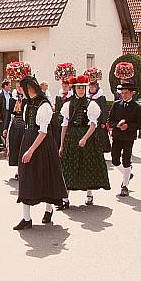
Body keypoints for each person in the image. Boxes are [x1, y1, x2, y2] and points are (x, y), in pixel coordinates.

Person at [13, 77, 67, 230]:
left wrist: (30, 150)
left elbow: (43, 132)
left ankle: (48, 209)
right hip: (29, 139)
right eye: (24, 88)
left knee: (46, 176)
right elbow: (26, 126)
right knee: (26, 177)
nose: (26, 91)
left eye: (28, 88)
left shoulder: (44, 106)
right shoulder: (27, 106)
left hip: (42, 144)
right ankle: (26, 218)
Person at [59, 76, 110, 208]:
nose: (80, 90)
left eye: (82, 87)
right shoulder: (68, 105)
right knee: (68, 167)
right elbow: (64, 126)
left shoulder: (91, 104)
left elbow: (93, 125)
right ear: (74, 88)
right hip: (71, 138)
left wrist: (84, 138)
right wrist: (61, 145)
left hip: (87, 138)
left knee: (87, 166)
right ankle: (65, 198)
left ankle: (89, 194)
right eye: (78, 87)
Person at [108, 83, 141, 197]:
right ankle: (127, 174)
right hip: (117, 136)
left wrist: (128, 126)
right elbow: (110, 120)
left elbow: (140, 124)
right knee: (114, 159)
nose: (123, 95)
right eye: (122, 93)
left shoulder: (137, 107)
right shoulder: (116, 105)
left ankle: (125, 185)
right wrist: (117, 125)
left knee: (126, 159)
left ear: (132, 93)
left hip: (129, 137)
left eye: (126, 93)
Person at [7, 83, 25, 180]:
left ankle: (23, 169)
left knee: (23, 146)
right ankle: (18, 169)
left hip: (24, 125)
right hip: (15, 125)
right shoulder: (12, 99)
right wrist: (6, 128)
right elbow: (9, 113)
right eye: (17, 86)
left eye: (20, 86)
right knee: (16, 147)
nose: (19, 88)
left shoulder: (27, 99)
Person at [87, 81, 111, 153]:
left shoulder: (101, 97)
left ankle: (101, 150)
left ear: (96, 88)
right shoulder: (87, 97)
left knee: (100, 137)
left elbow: (104, 110)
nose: (91, 89)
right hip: (90, 120)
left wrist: (104, 122)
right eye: (90, 87)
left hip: (99, 121)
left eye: (93, 87)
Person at [50, 80, 73, 149]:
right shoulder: (58, 97)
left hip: (67, 119)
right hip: (59, 120)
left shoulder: (71, 97)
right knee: (57, 136)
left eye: (66, 86)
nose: (64, 88)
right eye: (63, 86)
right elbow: (57, 109)